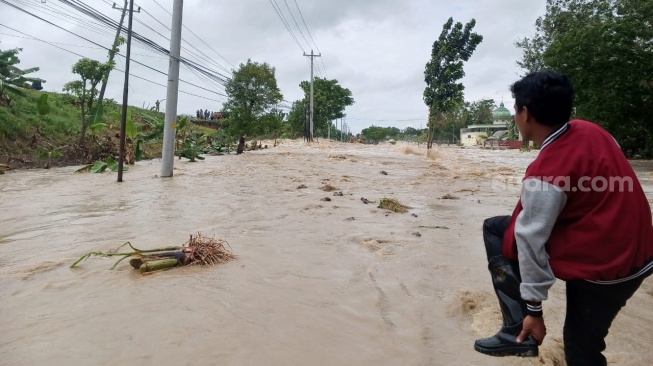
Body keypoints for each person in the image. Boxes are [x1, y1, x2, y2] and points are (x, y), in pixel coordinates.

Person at [474, 70, 653, 365]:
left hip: (606, 268)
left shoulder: (545, 173)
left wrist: (534, 312)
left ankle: (516, 331)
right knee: (497, 227)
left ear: (525, 113)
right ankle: (516, 328)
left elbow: (530, 240)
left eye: (516, 109)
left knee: (581, 350)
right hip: (637, 248)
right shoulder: (593, 131)